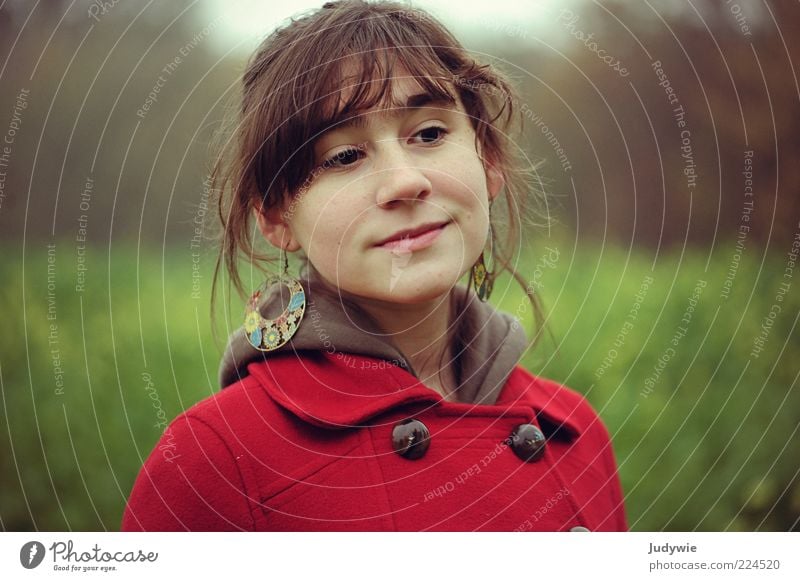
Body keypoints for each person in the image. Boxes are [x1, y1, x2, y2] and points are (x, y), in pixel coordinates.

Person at [121, 0, 627, 532]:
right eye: (343, 157)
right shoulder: (216, 460)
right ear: (276, 217)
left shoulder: (574, 432)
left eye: (430, 133)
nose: (406, 182)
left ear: (489, 161)